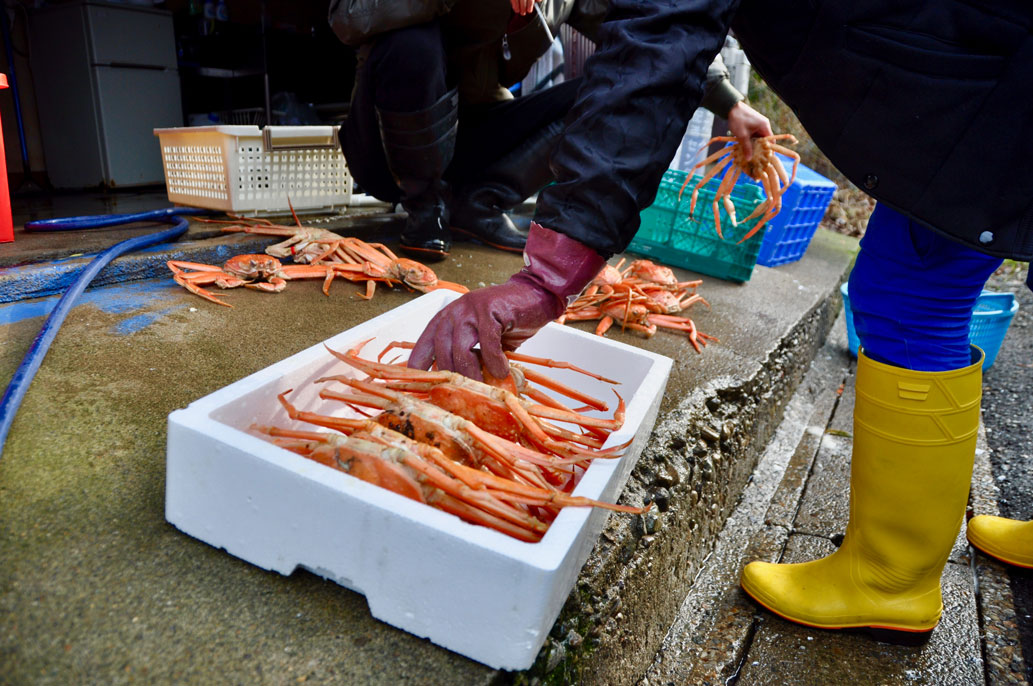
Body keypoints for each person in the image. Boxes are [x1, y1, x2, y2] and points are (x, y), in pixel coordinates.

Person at [409, 0, 1033, 644]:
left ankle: (891, 579)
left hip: (1000, 75)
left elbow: (662, 32)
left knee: (913, 293)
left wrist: (550, 273)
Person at [328, 0, 750, 261]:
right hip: (386, 152)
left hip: (474, 134)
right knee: (412, 44)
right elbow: (346, 16)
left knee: (608, 86)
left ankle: (479, 203)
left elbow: (657, 34)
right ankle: (426, 207)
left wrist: (731, 104)